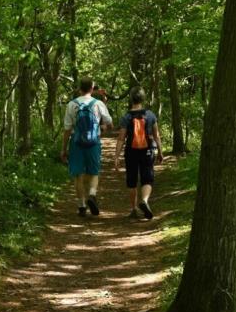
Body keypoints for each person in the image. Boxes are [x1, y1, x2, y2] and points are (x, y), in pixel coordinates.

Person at [62, 78, 114, 217]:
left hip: (76, 143)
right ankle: (92, 194)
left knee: (78, 175)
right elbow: (109, 122)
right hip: (93, 143)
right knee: (94, 172)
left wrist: (64, 149)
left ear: (80, 88)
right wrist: (103, 106)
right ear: (92, 89)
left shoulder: (71, 105)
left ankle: (82, 206)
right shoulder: (98, 104)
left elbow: (67, 129)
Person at [114, 87, 162, 220]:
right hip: (147, 150)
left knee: (132, 180)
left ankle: (134, 209)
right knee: (147, 178)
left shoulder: (126, 116)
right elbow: (156, 135)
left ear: (131, 99)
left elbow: (121, 138)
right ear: (143, 98)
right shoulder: (150, 115)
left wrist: (116, 156)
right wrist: (160, 151)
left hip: (131, 151)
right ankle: (145, 201)